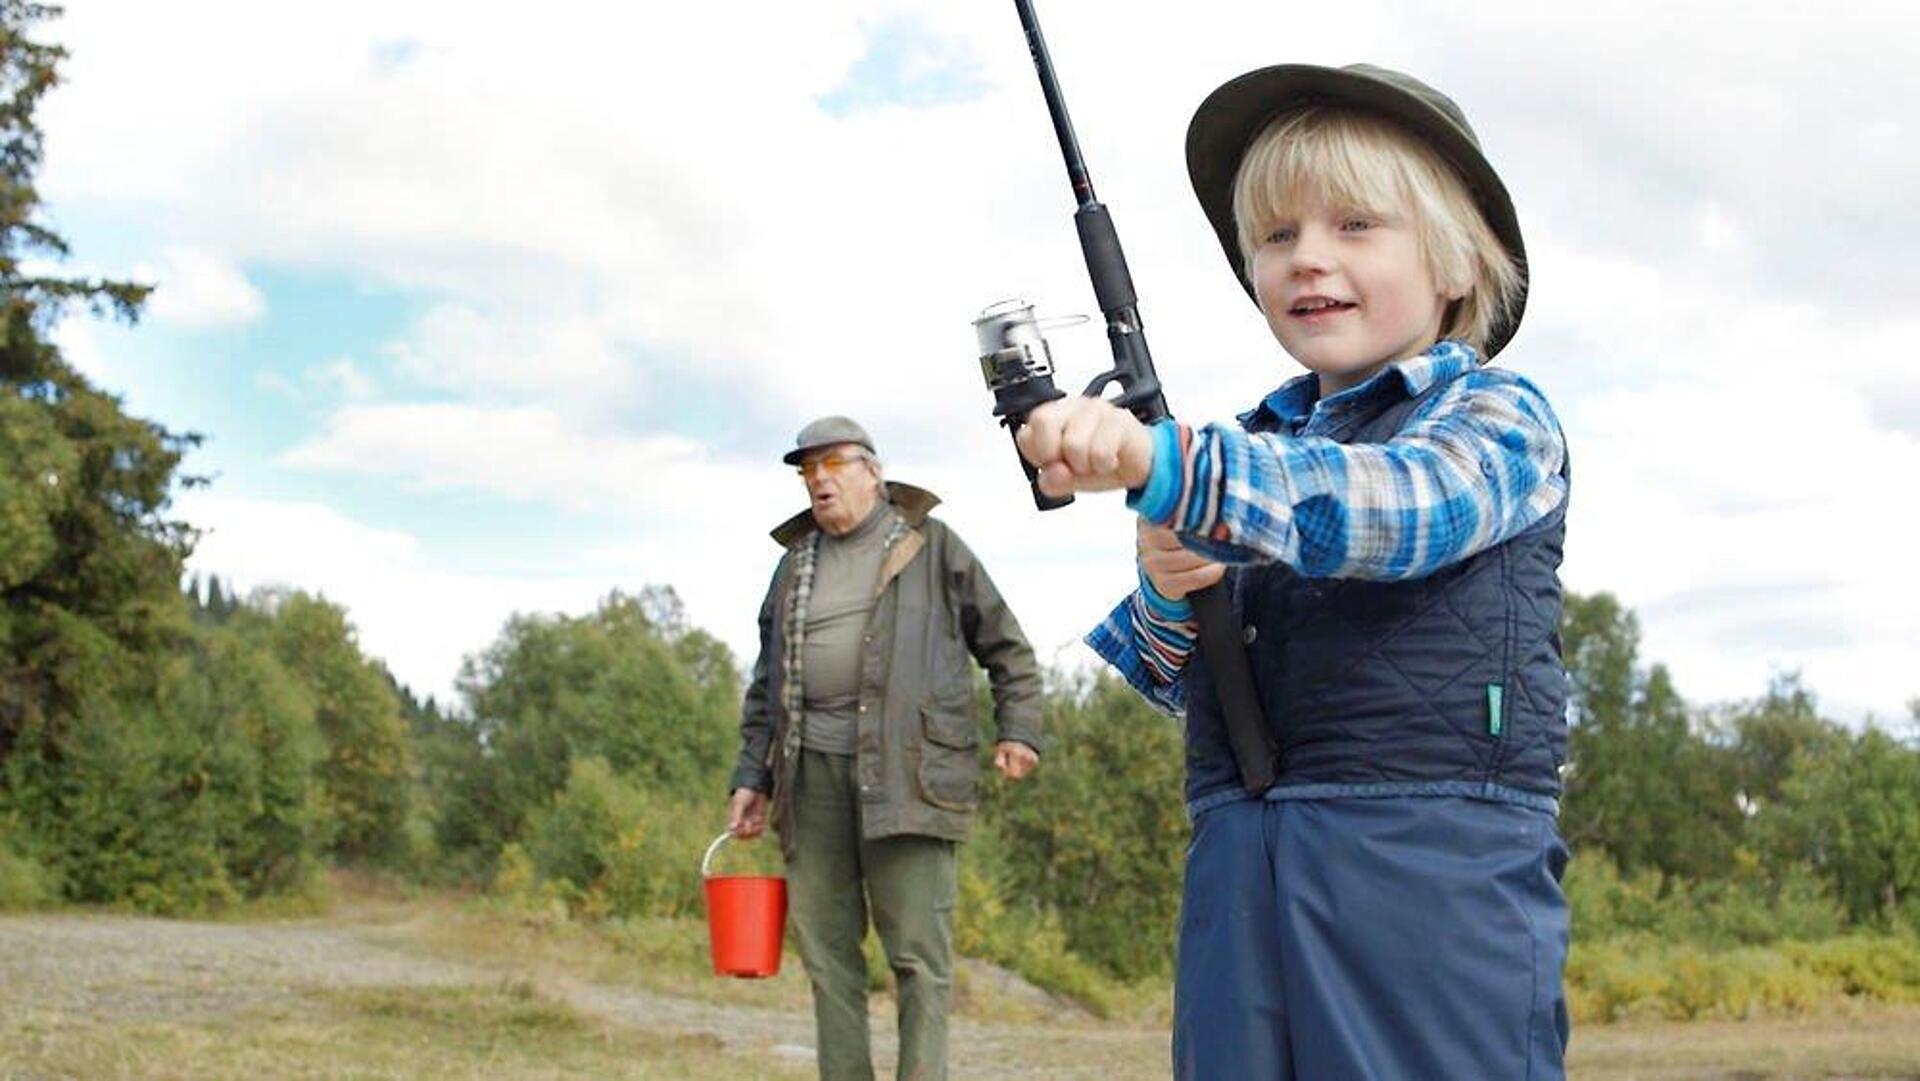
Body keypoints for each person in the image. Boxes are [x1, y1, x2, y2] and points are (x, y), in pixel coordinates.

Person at [1014, 65, 1573, 1079]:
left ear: (1455, 264)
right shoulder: (1245, 452)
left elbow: (1400, 509)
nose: (1308, 257)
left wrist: (1167, 466)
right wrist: (1168, 575)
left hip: (1427, 873)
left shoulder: (1498, 415)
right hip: (1241, 866)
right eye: (1277, 237)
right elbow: (1170, 670)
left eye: (1356, 224)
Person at [728, 415, 1044, 1081]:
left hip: (911, 773)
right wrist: (750, 776)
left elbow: (1007, 647)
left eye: (833, 463)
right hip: (808, 777)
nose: (819, 479)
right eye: (807, 469)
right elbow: (765, 684)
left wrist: (1019, 726)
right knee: (827, 952)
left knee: (918, 956)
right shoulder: (792, 565)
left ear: (873, 471)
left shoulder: (932, 547)